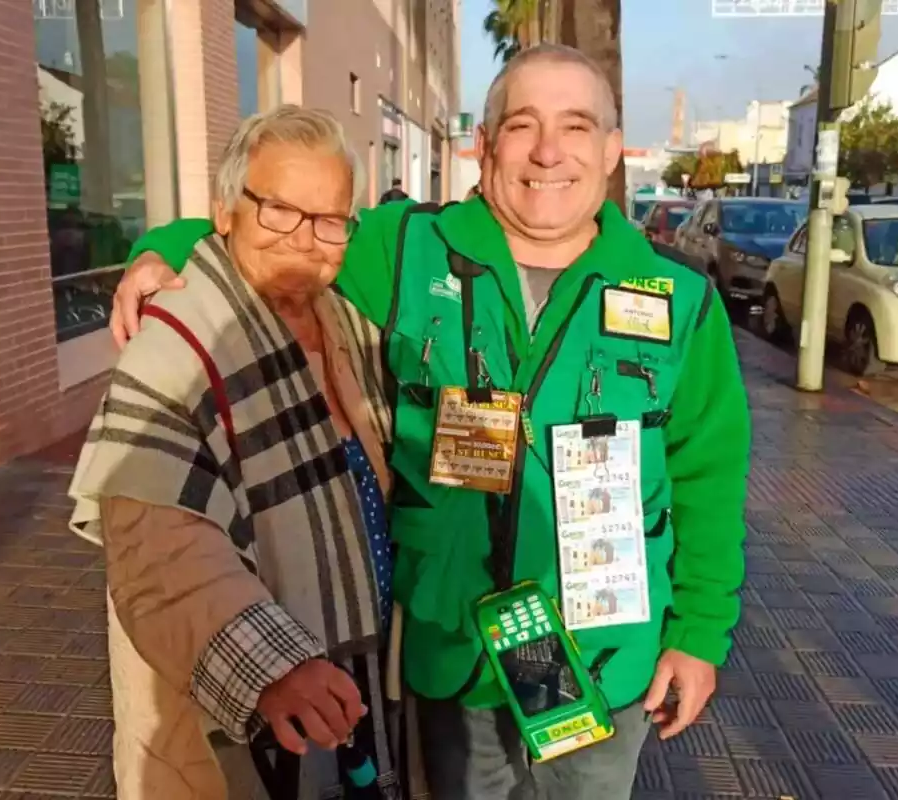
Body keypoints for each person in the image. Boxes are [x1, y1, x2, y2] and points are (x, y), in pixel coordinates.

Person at [109, 44, 750, 800]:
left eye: (577, 128)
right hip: (454, 650)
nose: (549, 152)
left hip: (605, 661)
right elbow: (277, 239)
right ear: (485, 144)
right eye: (523, 125)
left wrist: (699, 635)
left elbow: (707, 477)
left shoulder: (679, 299)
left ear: (611, 151)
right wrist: (162, 253)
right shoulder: (408, 248)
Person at [68, 106, 415, 799]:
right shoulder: (176, 343)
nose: (304, 241)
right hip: (246, 707)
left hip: (356, 688)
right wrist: (270, 665)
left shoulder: (345, 321)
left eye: (329, 220)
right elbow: (161, 552)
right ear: (225, 212)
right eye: (279, 210)